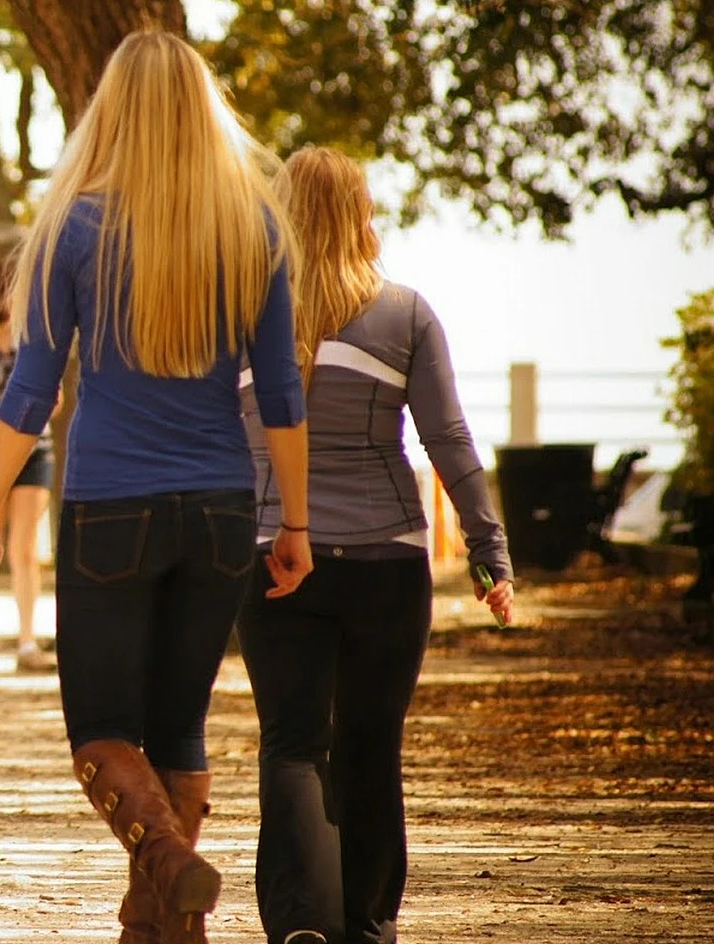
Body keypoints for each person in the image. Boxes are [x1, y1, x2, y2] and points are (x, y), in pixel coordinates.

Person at [0, 29, 315, 944]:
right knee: (180, 728)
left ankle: (171, 867)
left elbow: (33, 391)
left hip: (112, 508)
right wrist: (296, 523)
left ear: (110, 112)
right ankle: (161, 928)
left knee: (102, 735)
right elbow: (279, 393)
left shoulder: (74, 225)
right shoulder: (257, 226)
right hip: (224, 511)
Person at [235, 147, 515, 944]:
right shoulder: (405, 313)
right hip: (388, 562)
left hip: (272, 556)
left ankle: (301, 921)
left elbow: (217, 439)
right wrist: (490, 551)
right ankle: (365, 925)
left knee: (292, 742)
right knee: (369, 743)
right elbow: (448, 439)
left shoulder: (241, 316)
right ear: (361, 213)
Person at [0, 255, 57, 673]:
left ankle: (25, 641)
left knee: (23, 549)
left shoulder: (32, 339)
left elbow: (56, 398)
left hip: (35, 450)